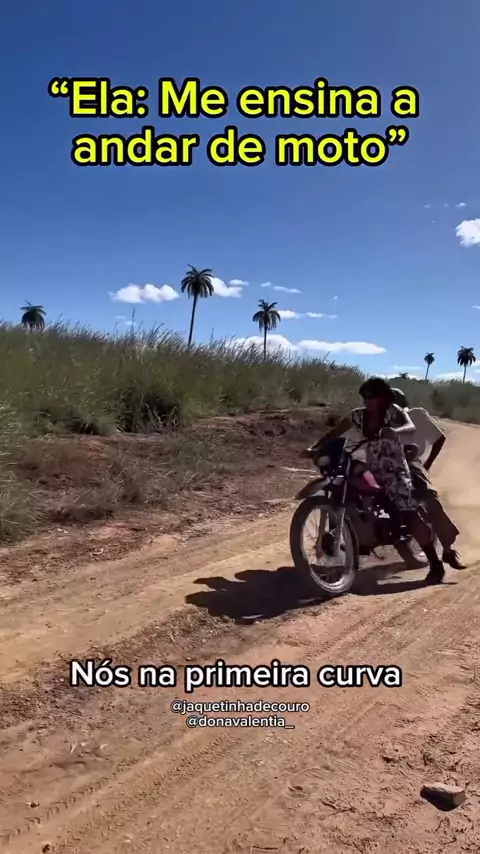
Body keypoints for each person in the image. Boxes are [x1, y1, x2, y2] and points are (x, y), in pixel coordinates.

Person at [304, 377, 445, 584]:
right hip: (370, 465)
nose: (368, 401)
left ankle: (435, 564)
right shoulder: (358, 416)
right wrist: (316, 448)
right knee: (346, 487)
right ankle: (354, 540)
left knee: (407, 512)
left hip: (394, 469)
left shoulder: (393, 412)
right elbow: (335, 433)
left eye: (373, 396)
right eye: (366, 397)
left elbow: (409, 426)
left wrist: (394, 431)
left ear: (384, 398)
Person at [390, 388, 466, 569]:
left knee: (427, 497)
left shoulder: (416, 415)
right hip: (384, 464)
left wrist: (428, 463)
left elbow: (440, 438)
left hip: (410, 461)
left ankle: (447, 550)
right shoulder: (376, 421)